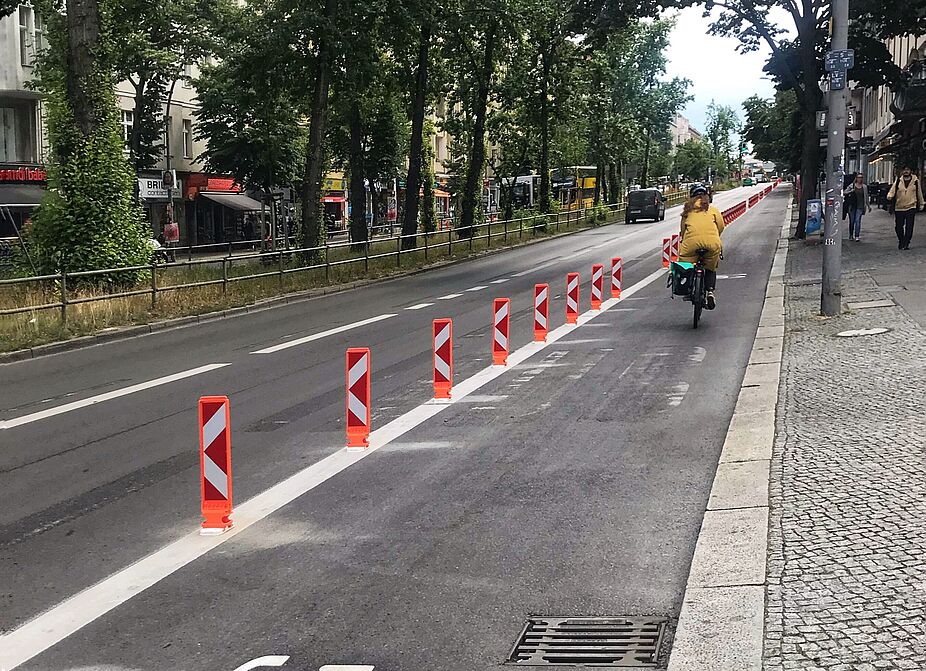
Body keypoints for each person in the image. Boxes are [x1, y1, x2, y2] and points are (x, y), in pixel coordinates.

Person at [678, 183, 725, 310]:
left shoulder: (687, 212)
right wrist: (715, 237)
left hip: (691, 245)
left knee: (685, 264)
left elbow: (683, 231)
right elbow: (721, 226)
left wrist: (685, 240)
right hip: (712, 243)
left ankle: (688, 288)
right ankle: (710, 291)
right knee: (711, 267)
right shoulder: (713, 210)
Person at [887, 166, 925, 250]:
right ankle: (901, 240)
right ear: (902, 171)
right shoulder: (898, 181)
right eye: (904, 170)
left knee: (909, 226)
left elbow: (919, 192)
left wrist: (921, 203)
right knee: (898, 226)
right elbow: (892, 190)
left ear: (910, 171)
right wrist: (889, 195)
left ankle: (906, 242)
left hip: (911, 206)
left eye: (907, 170)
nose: (906, 171)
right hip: (899, 207)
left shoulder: (915, 181)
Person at [844, 173, 870, 241]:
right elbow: (844, 192)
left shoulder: (864, 187)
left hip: (860, 206)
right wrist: (851, 191)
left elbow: (866, 197)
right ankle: (851, 235)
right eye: (858, 177)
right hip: (852, 206)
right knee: (852, 221)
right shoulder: (852, 186)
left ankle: (857, 236)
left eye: (861, 177)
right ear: (856, 178)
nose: (860, 179)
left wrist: (868, 206)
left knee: (857, 220)